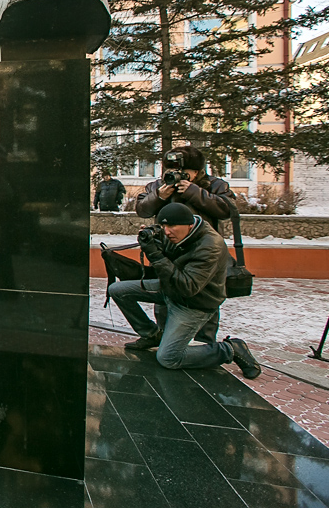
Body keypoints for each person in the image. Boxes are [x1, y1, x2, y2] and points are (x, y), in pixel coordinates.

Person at [108, 203, 261, 379]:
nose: (167, 232)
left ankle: (230, 350)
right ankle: (152, 335)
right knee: (117, 290)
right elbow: (170, 263)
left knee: (168, 358)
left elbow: (188, 287)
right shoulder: (178, 234)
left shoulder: (210, 245)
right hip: (171, 289)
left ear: (189, 224)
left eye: (171, 226)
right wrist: (154, 240)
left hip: (193, 303)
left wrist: (156, 256)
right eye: (163, 226)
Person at [123, 145, 234, 348]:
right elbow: (142, 209)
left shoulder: (214, 185)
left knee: (203, 297)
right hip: (168, 251)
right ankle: (161, 336)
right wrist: (159, 196)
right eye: (171, 171)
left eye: (183, 173)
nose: (175, 176)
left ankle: (206, 347)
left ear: (197, 171)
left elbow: (228, 209)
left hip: (202, 253)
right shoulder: (158, 186)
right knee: (165, 293)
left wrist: (195, 192)